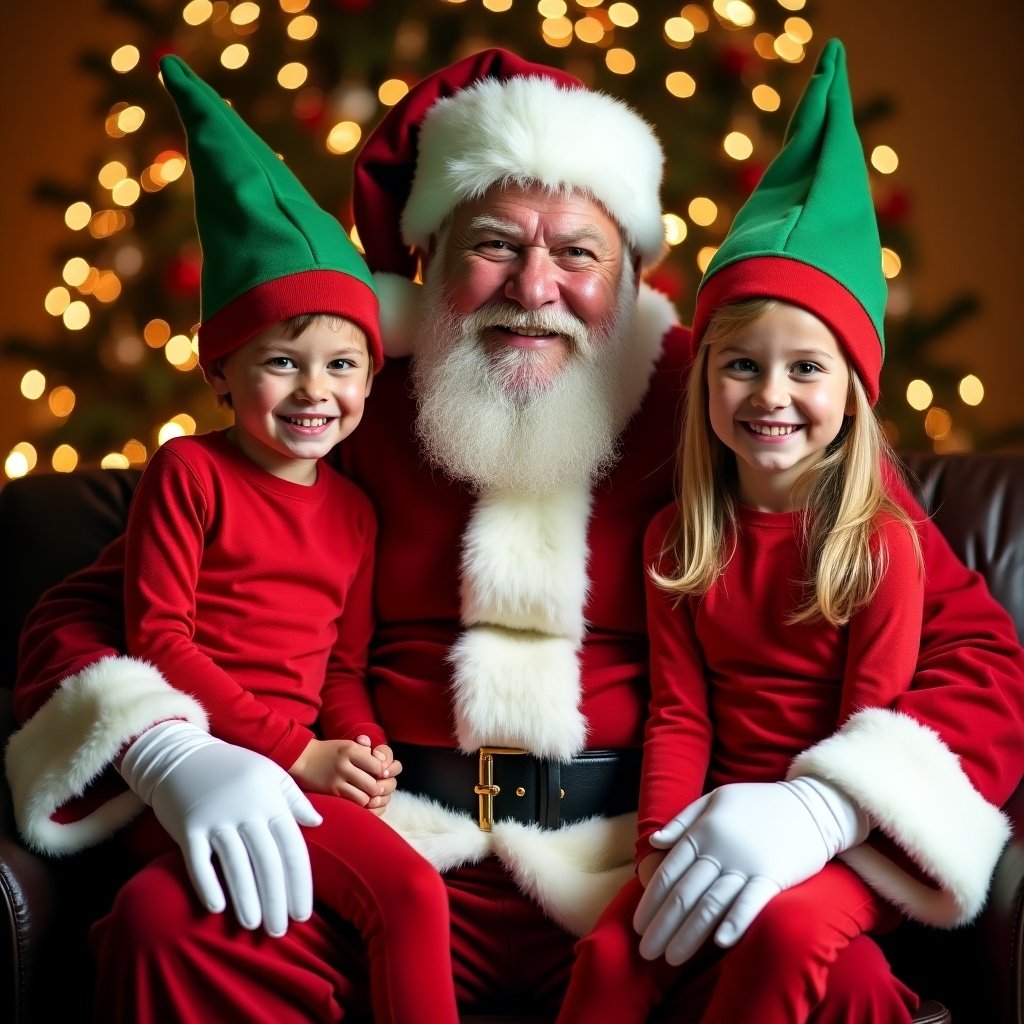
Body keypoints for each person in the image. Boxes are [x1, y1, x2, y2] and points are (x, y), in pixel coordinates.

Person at [5, 46, 1024, 1023]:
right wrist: (167, 749)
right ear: (428, 256)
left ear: (627, 269)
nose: (534, 289)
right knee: (164, 929)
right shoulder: (341, 398)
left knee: (834, 986)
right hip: (387, 845)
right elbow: (90, 616)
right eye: (494, 245)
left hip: (645, 857)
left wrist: (826, 808)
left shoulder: (727, 398)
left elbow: (976, 651)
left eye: (576, 252)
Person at [557, 39, 1016, 1024]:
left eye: (805, 369)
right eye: (740, 366)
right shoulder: (678, 541)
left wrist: (814, 821)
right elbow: (680, 712)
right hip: (711, 818)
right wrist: (660, 852)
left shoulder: (877, 542)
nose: (770, 395)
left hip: (843, 846)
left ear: (852, 397)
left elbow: (873, 721)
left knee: (789, 940)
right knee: (610, 954)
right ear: (704, 381)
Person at [93, 55, 460, 1024]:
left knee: (409, 888)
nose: (314, 391)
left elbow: (343, 661)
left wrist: (360, 743)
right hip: (202, 772)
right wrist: (288, 753)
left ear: (371, 379)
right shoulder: (190, 475)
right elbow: (161, 642)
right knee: (399, 894)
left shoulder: (353, 511)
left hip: (300, 765)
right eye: (280, 362)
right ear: (222, 375)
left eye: (342, 363)